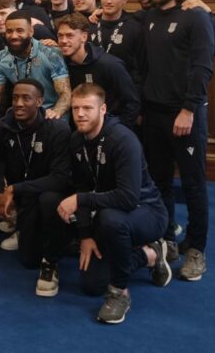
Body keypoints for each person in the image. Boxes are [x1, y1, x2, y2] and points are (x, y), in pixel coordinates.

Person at [56, 84, 171, 324]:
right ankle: (151, 254)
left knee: (111, 219)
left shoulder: (123, 140)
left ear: (103, 109)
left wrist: (80, 200)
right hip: (108, 212)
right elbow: (82, 187)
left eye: (88, 108)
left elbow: (127, 198)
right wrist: (85, 235)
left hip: (147, 212)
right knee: (91, 285)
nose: (80, 114)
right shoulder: (76, 139)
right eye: (76, 108)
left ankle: (120, 292)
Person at [139, 0, 215, 281]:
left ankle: (196, 249)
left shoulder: (195, 16)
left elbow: (203, 66)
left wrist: (189, 109)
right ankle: (168, 238)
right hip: (153, 115)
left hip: (185, 115)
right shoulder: (149, 19)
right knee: (159, 183)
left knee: (193, 183)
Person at [0, 79, 71, 296]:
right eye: (15, 97)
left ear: (40, 102)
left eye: (26, 98)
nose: (18, 103)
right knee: (27, 261)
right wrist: (0, 191)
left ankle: (53, 259)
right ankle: (24, 229)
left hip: (48, 194)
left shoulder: (58, 130)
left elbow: (60, 178)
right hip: (24, 195)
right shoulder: (4, 126)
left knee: (48, 199)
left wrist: (14, 189)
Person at [0, 12, 71, 120]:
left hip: (51, 117)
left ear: (31, 31)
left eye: (20, 30)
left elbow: (65, 94)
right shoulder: (1, 57)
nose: (14, 36)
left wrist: (54, 113)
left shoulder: (50, 54)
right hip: (22, 117)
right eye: (9, 31)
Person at [56, 13, 140, 129]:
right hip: (77, 132)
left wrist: (116, 130)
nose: (63, 40)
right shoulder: (60, 64)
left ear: (84, 37)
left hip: (108, 131)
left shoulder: (110, 65)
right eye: (60, 36)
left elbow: (132, 103)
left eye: (70, 35)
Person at [91, 0, 143, 83]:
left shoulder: (135, 27)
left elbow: (140, 66)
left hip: (125, 89)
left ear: (125, 0)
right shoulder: (91, 26)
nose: (109, 1)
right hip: (95, 90)